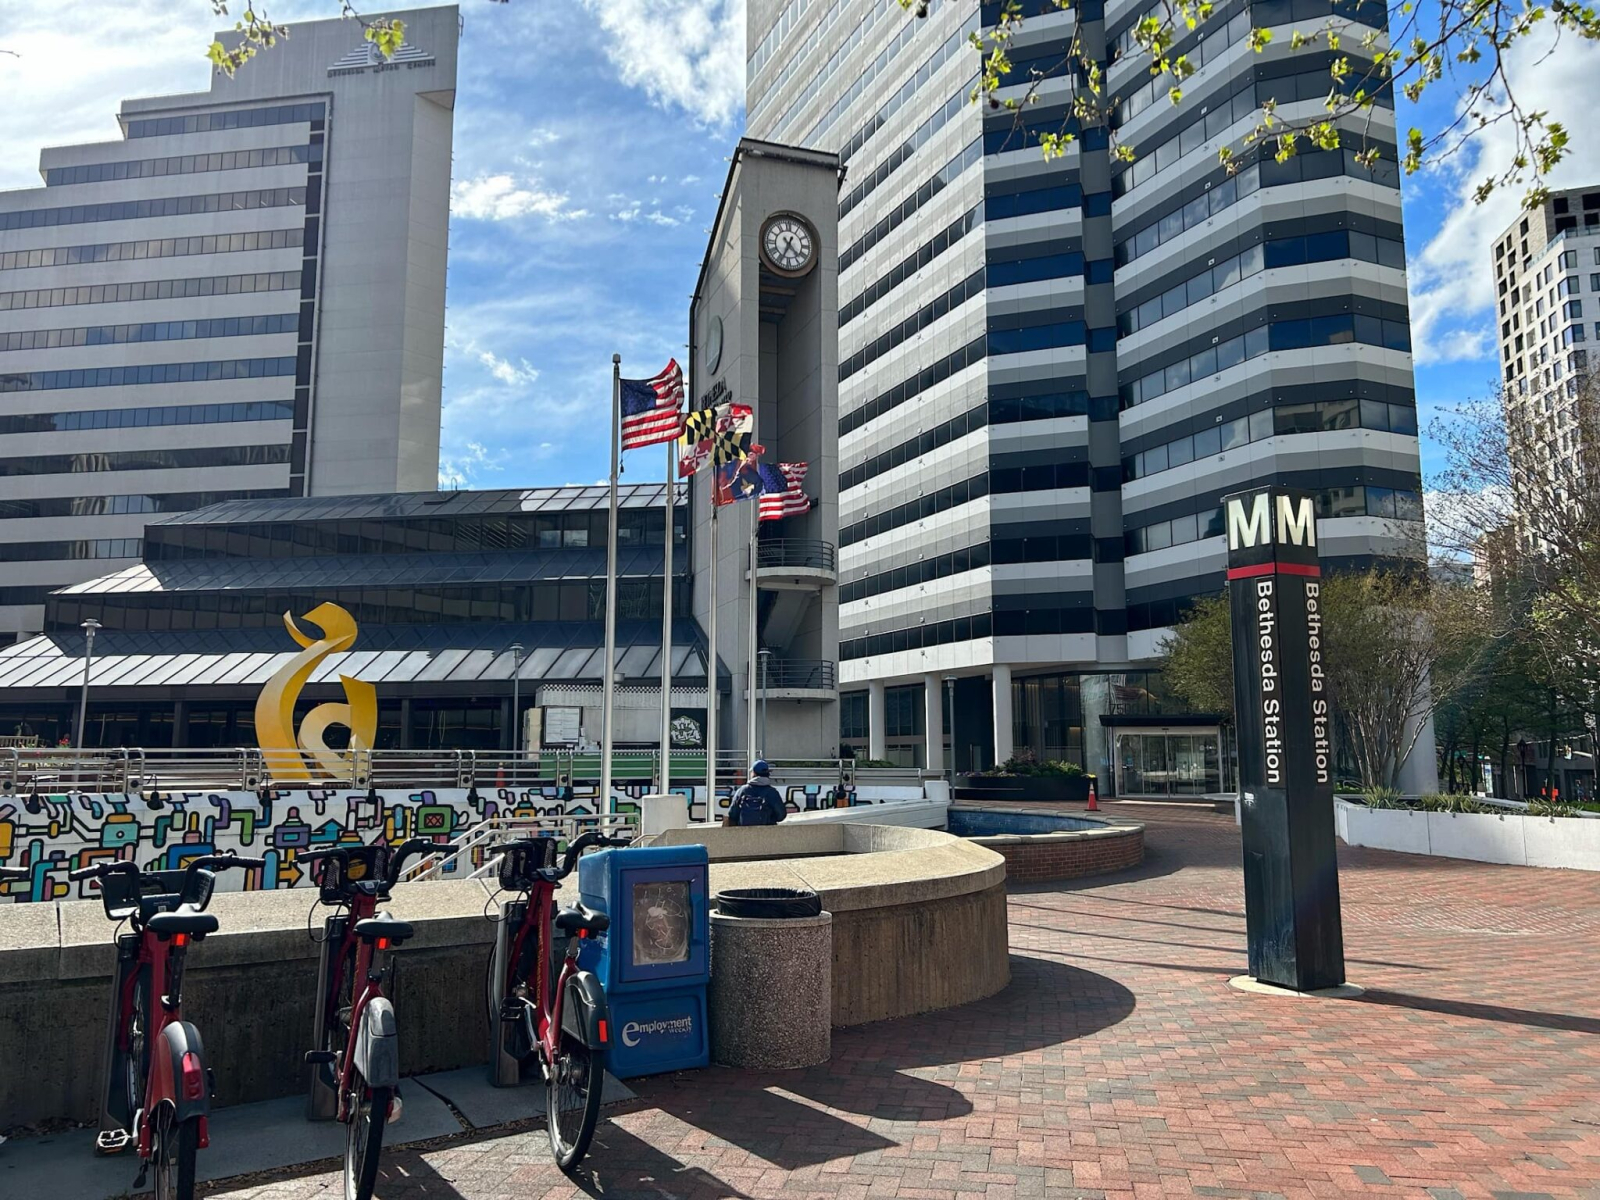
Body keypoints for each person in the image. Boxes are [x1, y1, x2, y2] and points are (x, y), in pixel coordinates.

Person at [724, 760, 786, 827]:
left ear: (754, 773)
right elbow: (781, 815)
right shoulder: (772, 792)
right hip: (767, 831)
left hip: (744, 831)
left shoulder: (742, 790)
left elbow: (732, 814)